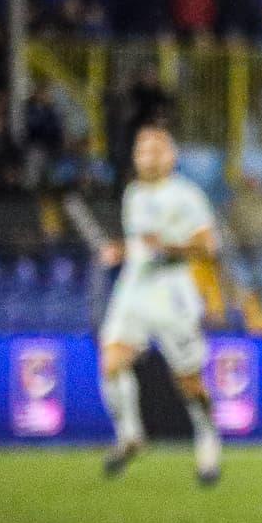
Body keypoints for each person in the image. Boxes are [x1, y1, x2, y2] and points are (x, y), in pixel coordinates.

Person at [97, 126, 226, 486]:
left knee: (189, 382)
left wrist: (170, 247)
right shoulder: (133, 194)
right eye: (142, 150)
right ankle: (130, 436)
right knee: (111, 363)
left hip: (173, 293)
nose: (148, 157)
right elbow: (141, 243)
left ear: (171, 157)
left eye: (156, 150)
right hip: (134, 289)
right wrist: (121, 250)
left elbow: (209, 247)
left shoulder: (186, 196)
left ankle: (207, 436)